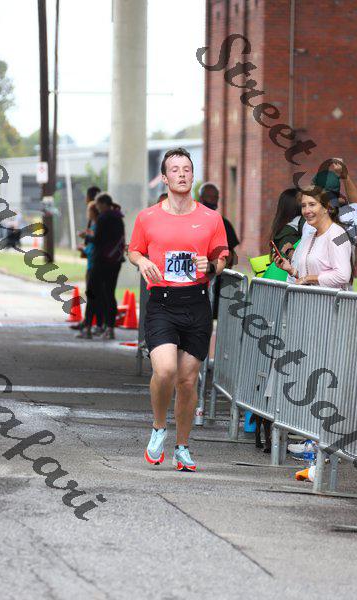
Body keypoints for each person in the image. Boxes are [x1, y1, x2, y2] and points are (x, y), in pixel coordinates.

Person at [128, 147, 228, 472]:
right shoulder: (148, 217)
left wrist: (210, 265)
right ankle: (159, 427)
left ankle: (182, 447)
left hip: (196, 302)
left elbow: (222, 257)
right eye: (175, 169)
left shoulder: (211, 218)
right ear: (165, 177)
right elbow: (134, 250)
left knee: (187, 380)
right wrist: (142, 261)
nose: (182, 174)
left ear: (193, 175)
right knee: (166, 370)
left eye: (187, 169)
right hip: (162, 302)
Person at [274, 186, 352, 289]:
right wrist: (291, 270)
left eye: (312, 204)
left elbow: (343, 276)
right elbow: (307, 277)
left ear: (326, 207)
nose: (306, 210)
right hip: (307, 298)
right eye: (303, 206)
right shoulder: (310, 237)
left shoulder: (338, 234)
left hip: (328, 299)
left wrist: (308, 278)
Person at [87, 192, 125, 340]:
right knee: (110, 294)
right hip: (115, 261)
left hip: (101, 260)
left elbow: (98, 239)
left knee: (92, 292)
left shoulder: (103, 218)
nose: (96, 208)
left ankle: (89, 326)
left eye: (97, 205)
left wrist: (87, 237)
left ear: (103, 204)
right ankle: (110, 327)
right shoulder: (118, 217)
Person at [198, 182, 240, 318]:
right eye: (209, 197)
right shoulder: (191, 221)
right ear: (201, 198)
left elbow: (231, 254)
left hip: (217, 283)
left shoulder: (223, 223)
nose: (212, 200)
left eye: (215, 197)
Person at [75, 201, 103, 339]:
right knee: (97, 296)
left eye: (89, 211)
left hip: (94, 265)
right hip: (96, 264)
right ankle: (98, 325)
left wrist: (83, 248)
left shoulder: (97, 226)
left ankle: (88, 327)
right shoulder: (95, 225)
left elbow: (94, 246)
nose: (88, 213)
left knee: (92, 296)